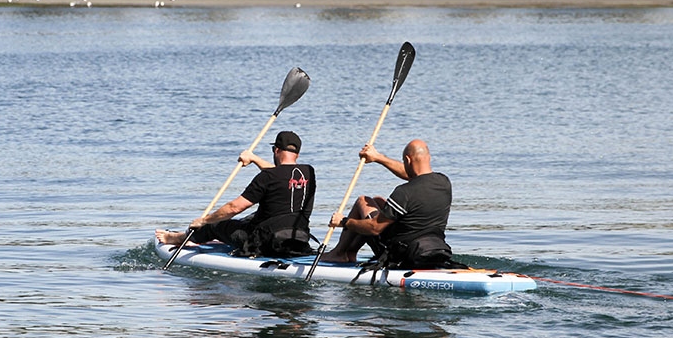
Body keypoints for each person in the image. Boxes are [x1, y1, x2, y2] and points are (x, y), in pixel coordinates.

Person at [156, 131, 316, 257]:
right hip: (298, 238)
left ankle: (178, 238)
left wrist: (204, 220)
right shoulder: (309, 172)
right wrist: (254, 159)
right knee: (252, 217)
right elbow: (280, 174)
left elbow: (235, 207)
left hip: (263, 243)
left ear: (277, 150)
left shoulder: (267, 177)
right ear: (297, 154)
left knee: (214, 225)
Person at [320, 139, 454, 269]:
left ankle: (338, 253)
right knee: (377, 201)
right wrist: (378, 157)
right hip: (431, 246)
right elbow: (414, 174)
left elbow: (375, 228)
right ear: (428, 158)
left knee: (362, 201)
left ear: (407, 160)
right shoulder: (444, 182)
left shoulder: (404, 192)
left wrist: (344, 221)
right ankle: (349, 253)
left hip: (400, 253)